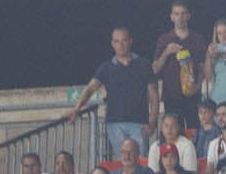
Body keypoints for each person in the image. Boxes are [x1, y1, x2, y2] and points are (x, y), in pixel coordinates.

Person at [65, 28, 158, 160]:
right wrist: (76, 109)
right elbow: (90, 88)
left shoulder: (144, 64)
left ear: (131, 41)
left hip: (139, 123)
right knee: (122, 162)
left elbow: (154, 95)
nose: (121, 45)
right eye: (117, 41)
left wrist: (153, 122)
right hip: (115, 123)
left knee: (142, 160)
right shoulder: (106, 67)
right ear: (112, 44)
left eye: (124, 40)